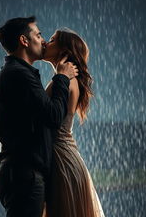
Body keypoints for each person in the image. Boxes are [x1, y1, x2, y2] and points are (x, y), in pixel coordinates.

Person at [0, 16, 79, 217]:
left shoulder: (15, 72)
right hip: (24, 174)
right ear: (24, 41)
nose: (43, 40)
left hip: (20, 171)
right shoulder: (20, 75)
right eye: (38, 35)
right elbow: (54, 116)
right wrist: (62, 77)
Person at [42, 28, 105, 217]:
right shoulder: (69, 81)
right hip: (66, 158)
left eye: (52, 40)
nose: (45, 42)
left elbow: (49, 120)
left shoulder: (65, 82)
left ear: (64, 51)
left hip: (61, 161)